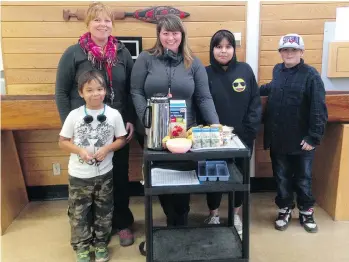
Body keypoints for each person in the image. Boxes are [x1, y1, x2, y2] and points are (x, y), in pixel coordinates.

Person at [130, 14, 220, 254]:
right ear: (159, 35)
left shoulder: (194, 63)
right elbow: (136, 91)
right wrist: (145, 117)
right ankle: (173, 225)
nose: (170, 37)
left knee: (182, 185)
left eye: (175, 33)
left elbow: (203, 97)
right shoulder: (146, 60)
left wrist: (216, 126)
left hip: (184, 137)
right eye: (166, 33)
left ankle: (179, 227)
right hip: (153, 135)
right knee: (160, 183)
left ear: (182, 35)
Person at [55, 2, 136, 246]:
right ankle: (88, 226)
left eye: (107, 20)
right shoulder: (74, 53)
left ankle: (122, 223)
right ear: (88, 24)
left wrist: (130, 119)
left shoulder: (122, 53)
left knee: (118, 177)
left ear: (113, 24)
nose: (103, 25)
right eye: (97, 20)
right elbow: (60, 92)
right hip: (83, 131)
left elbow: (132, 89)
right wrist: (69, 130)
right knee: (86, 181)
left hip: (116, 128)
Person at [260, 33, 328, 233]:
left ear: (301, 52)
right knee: (281, 178)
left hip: (302, 142)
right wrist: (251, 90)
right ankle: (284, 209)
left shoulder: (311, 75)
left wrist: (313, 137)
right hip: (278, 138)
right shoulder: (277, 71)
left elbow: (318, 108)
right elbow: (273, 88)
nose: (289, 53)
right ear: (280, 53)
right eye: (285, 50)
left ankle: (306, 212)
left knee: (303, 178)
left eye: (294, 50)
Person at [59, 70, 127, 262]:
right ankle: (81, 247)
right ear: (81, 93)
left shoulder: (114, 115)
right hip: (79, 175)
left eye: (100, 89)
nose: (95, 93)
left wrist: (107, 148)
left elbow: (121, 139)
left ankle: (100, 244)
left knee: (104, 211)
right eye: (89, 90)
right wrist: (79, 150)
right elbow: (62, 141)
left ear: (105, 90)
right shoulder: (74, 115)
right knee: (78, 213)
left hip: (105, 174)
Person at [201, 30, 261, 236]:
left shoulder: (245, 70)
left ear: (234, 49)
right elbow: (199, 103)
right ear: (212, 49)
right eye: (219, 47)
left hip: (242, 138)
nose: (223, 51)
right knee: (213, 177)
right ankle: (214, 213)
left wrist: (249, 131)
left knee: (240, 178)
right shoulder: (204, 72)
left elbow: (255, 102)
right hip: (213, 139)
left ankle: (235, 215)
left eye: (228, 46)